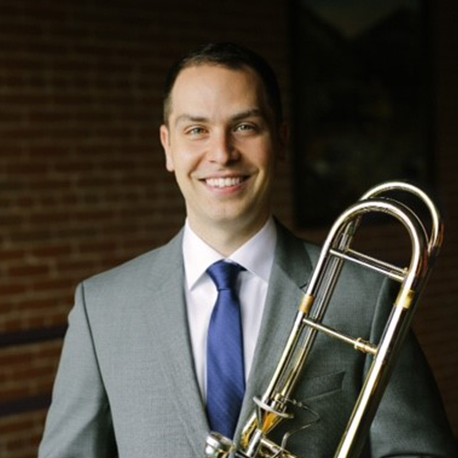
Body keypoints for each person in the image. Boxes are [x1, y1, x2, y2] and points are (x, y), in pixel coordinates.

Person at [38, 42, 455, 458]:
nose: (222, 154)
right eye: (196, 130)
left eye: (245, 127)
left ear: (281, 139)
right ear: (168, 146)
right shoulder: (101, 308)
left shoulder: (365, 295)